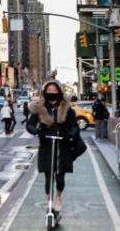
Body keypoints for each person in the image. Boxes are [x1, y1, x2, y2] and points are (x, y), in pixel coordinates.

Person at [26, 80, 83, 215]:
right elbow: (30, 125)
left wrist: (70, 135)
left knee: (60, 176)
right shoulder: (39, 107)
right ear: (45, 92)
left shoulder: (67, 108)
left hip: (63, 145)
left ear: (59, 92)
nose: (52, 93)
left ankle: (58, 196)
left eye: (54, 90)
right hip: (46, 145)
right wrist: (36, 131)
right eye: (49, 91)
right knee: (48, 175)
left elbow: (75, 126)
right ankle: (49, 201)